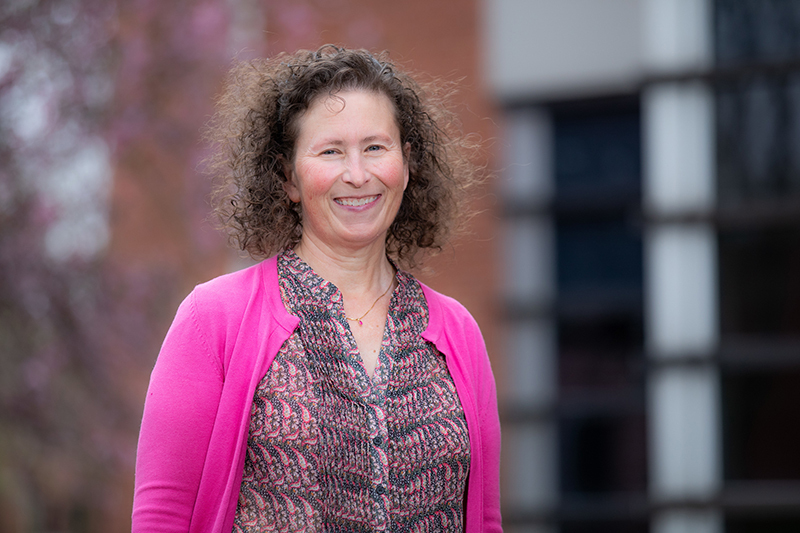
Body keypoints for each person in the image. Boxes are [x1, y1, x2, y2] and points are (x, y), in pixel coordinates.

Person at [132, 45, 502, 533]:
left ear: (407, 165)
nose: (357, 174)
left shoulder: (457, 331)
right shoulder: (214, 318)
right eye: (330, 151)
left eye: (375, 147)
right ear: (287, 177)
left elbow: (486, 520)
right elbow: (163, 517)